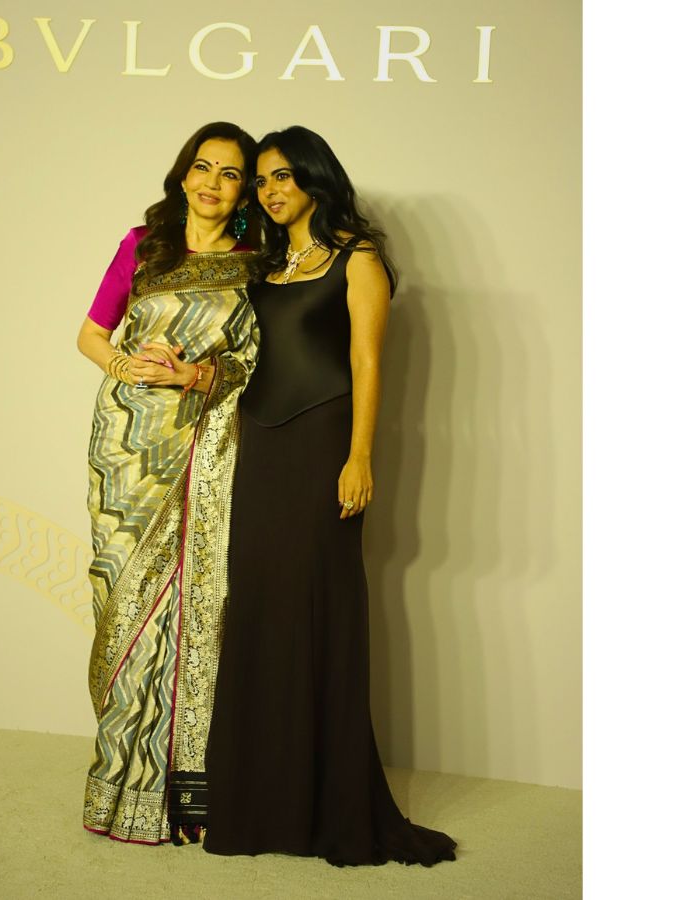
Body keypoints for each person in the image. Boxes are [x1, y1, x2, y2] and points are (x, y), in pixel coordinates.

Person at [202, 126, 457, 866]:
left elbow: (367, 363)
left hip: (322, 446)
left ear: (315, 178)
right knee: (258, 604)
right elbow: (250, 357)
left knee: (316, 604)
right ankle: (260, 804)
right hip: (261, 444)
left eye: (283, 176)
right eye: (262, 181)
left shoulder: (358, 258)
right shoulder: (264, 266)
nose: (270, 191)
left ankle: (322, 804)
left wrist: (359, 457)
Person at [76, 121, 259, 845]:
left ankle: (187, 789)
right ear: (184, 175)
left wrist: (200, 375)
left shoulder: (255, 264)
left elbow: (258, 359)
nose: (213, 183)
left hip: (205, 444)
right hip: (125, 446)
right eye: (203, 167)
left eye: (231, 173)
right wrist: (123, 366)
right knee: (124, 601)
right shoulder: (143, 246)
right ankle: (120, 782)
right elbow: (92, 333)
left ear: (244, 190)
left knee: (194, 604)